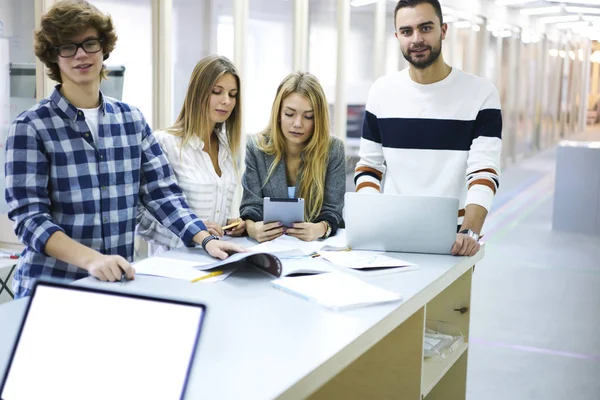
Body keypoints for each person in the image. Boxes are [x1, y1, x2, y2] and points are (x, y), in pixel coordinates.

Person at [4, 0, 243, 298]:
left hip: (116, 287)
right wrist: (92, 260)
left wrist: (205, 238)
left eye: (90, 43)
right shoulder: (30, 127)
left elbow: (162, 193)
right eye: (67, 47)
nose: (81, 54)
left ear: (104, 48)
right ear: (53, 56)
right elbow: (30, 220)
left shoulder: (131, 120)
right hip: (52, 289)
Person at [354, 0, 502, 257]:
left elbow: (484, 173)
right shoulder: (382, 91)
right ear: (397, 36)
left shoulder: (480, 93)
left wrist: (469, 233)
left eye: (425, 28)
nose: (416, 39)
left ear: (443, 30)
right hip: (392, 231)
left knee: (452, 300)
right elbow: (369, 168)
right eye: (407, 31)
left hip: (454, 236)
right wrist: (370, 222)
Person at [136, 55, 245, 256]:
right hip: (174, 265)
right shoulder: (165, 142)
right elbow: (141, 218)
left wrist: (230, 225)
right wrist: (193, 233)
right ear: (198, 93)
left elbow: (216, 216)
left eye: (232, 94)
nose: (226, 101)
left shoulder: (226, 148)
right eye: (216, 92)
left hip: (218, 262)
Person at [240, 72, 345, 243]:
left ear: (318, 119)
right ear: (278, 114)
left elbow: (333, 210)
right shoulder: (256, 148)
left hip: (315, 250)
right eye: (289, 114)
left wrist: (320, 229)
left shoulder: (333, 150)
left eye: (308, 116)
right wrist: (252, 229)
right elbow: (251, 207)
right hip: (268, 248)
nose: (298, 123)